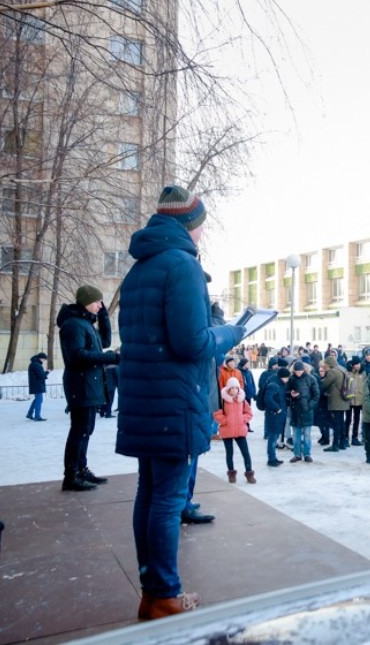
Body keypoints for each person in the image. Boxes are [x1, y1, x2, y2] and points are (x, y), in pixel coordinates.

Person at [116, 185, 245, 619]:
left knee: (148, 493)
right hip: (172, 401)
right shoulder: (183, 266)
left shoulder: (139, 270)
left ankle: (152, 593)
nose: (202, 235)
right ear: (190, 226)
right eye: (201, 227)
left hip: (144, 399)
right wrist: (234, 331)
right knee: (169, 499)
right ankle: (167, 596)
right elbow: (192, 342)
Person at [59, 284, 118, 491]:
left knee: (86, 430)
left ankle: (81, 469)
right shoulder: (74, 325)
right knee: (79, 431)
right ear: (86, 302)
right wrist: (111, 358)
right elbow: (77, 356)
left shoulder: (84, 323)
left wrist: (103, 317)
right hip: (80, 384)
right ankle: (71, 475)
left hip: (88, 384)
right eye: (97, 302)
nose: (100, 305)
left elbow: (105, 341)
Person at [213, 377, 255, 484]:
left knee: (245, 453)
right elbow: (216, 413)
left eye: (236, 388)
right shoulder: (222, 399)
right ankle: (231, 474)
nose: (233, 390)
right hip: (227, 430)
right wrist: (225, 420)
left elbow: (249, 412)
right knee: (229, 453)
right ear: (228, 388)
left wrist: (243, 419)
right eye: (231, 388)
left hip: (240, 430)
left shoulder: (242, 400)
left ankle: (249, 473)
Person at [287, 361, 318, 463]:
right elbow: (286, 392)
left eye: (300, 371)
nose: (298, 373)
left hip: (306, 411)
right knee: (296, 435)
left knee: (307, 434)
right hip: (295, 410)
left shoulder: (310, 379)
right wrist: (291, 395)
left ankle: (307, 454)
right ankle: (297, 454)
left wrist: (309, 406)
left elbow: (316, 394)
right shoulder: (291, 379)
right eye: (297, 371)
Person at [263, 368, 290, 466]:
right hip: (274, 415)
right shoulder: (274, 385)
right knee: (273, 437)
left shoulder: (279, 384)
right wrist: (277, 409)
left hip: (277, 415)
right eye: (287, 377)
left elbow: (280, 397)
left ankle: (273, 457)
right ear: (283, 377)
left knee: (274, 437)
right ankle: (271, 459)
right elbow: (268, 399)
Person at [26, 352, 49, 421]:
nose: (44, 361)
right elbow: (41, 375)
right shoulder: (36, 365)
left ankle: (30, 414)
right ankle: (37, 416)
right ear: (40, 358)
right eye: (44, 359)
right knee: (39, 400)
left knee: (37, 400)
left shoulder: (34, 363)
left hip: (35, 384)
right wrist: (47, 373)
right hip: (37, 385)